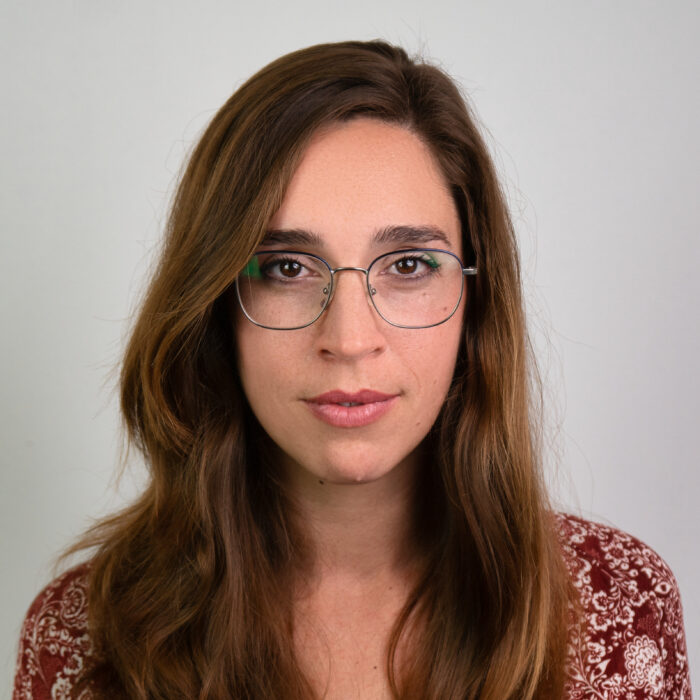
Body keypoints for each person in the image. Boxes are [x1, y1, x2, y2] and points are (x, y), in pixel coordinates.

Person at [13, 40, 691, 700]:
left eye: (408, 265)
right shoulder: (82, 638)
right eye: (287, 268)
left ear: (475, 300)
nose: (349, 339)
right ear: (215, 305)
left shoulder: (621, 607)